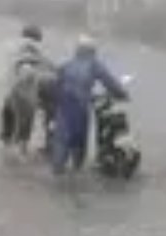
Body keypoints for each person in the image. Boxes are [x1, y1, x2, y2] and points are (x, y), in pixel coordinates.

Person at [50, 35, 128, 175]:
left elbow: (56, 87)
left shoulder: (65, 64)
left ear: (77, 50)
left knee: (61, 146)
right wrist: (123, 95)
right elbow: (111, 84)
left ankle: (58, 177)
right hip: (80, 110)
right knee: (78, 146)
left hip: (63, 110)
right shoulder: (94, 64)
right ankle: (75, 177)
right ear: (92, 52)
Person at [0, 24, 56, 154]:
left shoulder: (20, 51)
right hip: (32, 91)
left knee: (10, 109)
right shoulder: (36, 52)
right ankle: (45, 144)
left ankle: (9, 140)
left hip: (29, 90)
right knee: (46, 114)